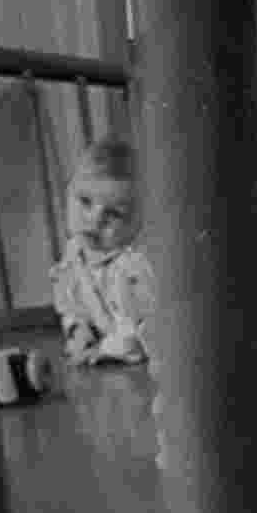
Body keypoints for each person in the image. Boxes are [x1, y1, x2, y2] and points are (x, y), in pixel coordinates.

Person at [51, 136, 157, 367]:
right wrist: (78, 330)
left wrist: (102, 349)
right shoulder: (75, 253)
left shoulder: (133, 266)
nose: (94, 220)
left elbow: (140, 335)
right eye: (85, 201)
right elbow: (70, 301)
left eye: (114, 214)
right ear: (68, 192)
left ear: (137, 223)